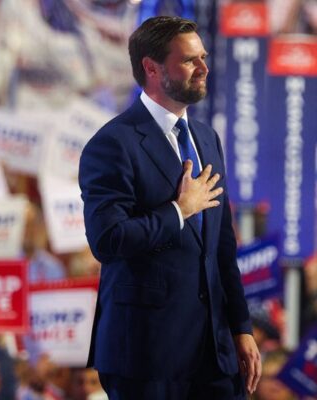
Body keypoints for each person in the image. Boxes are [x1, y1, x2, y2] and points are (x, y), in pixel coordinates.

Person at [78, 15, 261, 399]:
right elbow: (108, 240)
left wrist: (241, 328)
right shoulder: (113, 143)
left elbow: (222, 247)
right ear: (151, 67)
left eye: (203, 57)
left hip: (215, 354)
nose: (204, 68)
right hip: (146, 355)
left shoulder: (207, 139)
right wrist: (179, 210)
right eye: (190, 60)